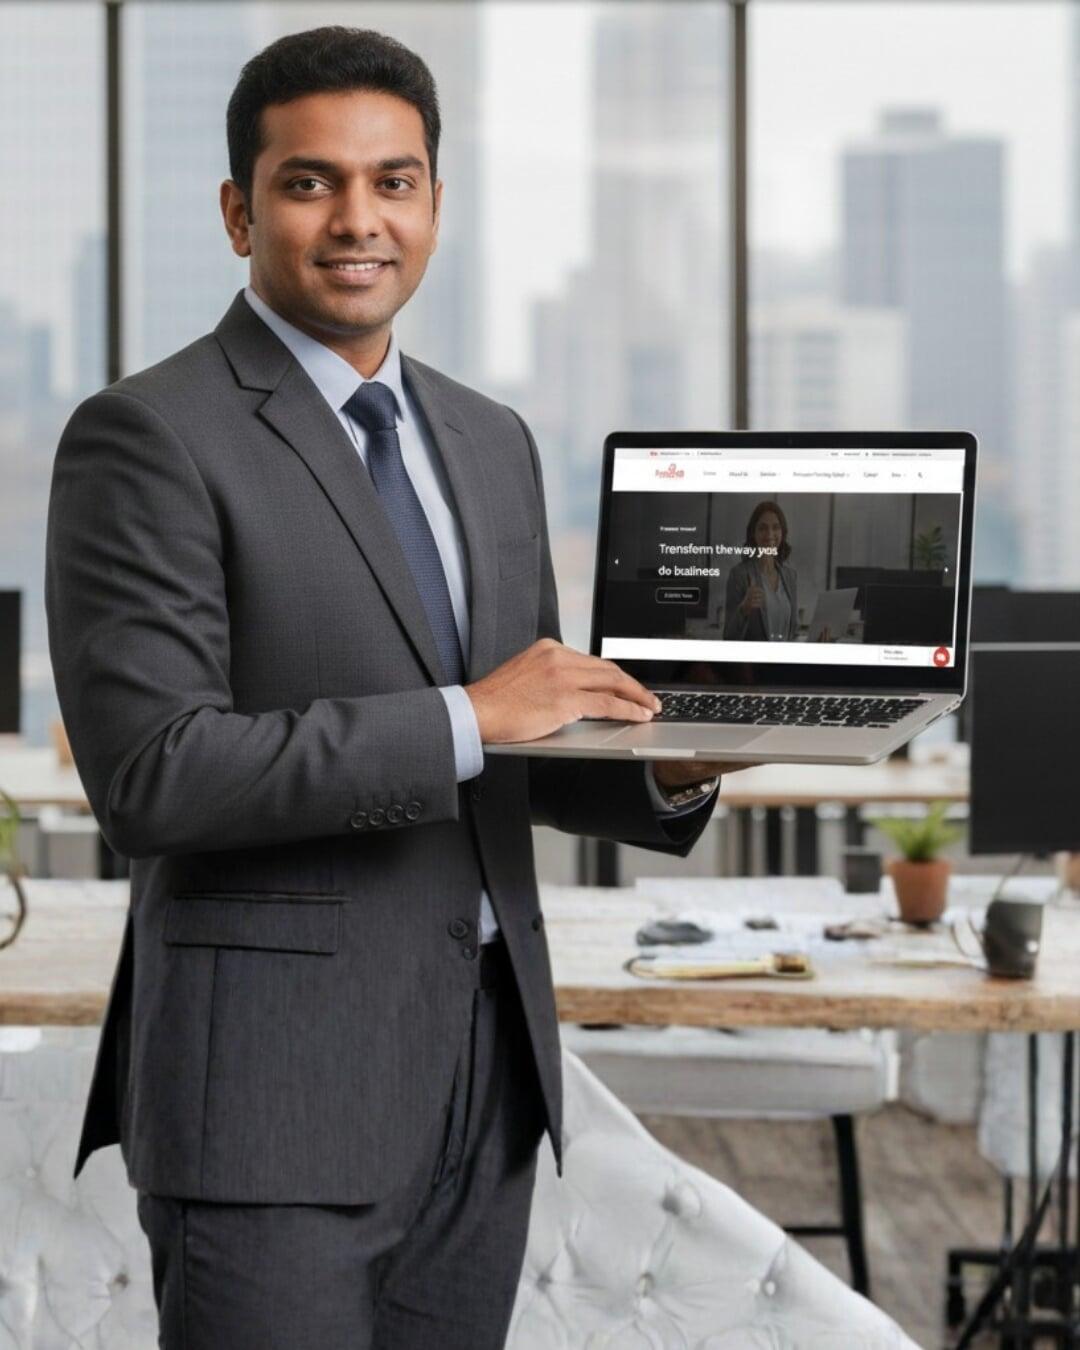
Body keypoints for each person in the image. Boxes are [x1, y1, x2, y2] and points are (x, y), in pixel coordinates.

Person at [44, 27, 744, 1350]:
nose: (359, 219)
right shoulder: (147, 435)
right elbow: (154, 776)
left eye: (395, 181)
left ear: (434, 203)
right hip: (273, 1093)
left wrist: (675, 760)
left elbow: (515, 747)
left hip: (485, 1074)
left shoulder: (490, 438)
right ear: (239, 211)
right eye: (311, 183)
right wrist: (471, 714)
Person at [722, 499, 800, 642]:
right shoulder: (739, 575)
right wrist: (744, 609)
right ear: (753, 533)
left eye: (776, 527)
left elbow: (794, 632)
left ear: (782, 532)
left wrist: (817, 641)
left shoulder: (790, 576)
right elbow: (729, 636)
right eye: (763, 528)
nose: (770, 534)